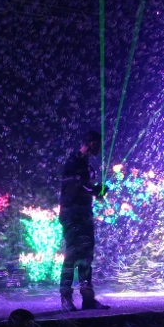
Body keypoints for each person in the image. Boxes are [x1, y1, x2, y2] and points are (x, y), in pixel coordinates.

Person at [59, 130, 109, 311]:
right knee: (72, 255)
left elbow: (86, 187)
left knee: (86, 256)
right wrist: (94, 190)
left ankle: (88, 299)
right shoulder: (74, 160)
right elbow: (76, 185)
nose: (100, 149)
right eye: (98, 145)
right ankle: (66, 298)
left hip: (84, 213)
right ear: (92, 143)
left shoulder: (86, 163)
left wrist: (98, 191)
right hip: (72, 214)